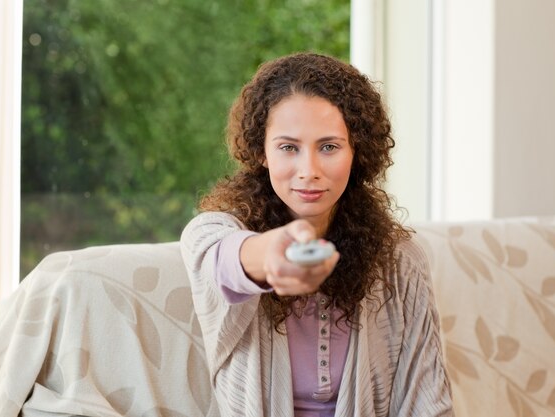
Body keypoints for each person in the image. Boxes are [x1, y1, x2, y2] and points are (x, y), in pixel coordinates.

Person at [181, 52, 453, 417]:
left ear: (356, 151)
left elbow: (428, 400)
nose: (308, 170)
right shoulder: (212, 231)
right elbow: (227, 259)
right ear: (261, 151)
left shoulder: (400, 259)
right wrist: (274, 253)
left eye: (328, 147)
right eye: (288, 147)